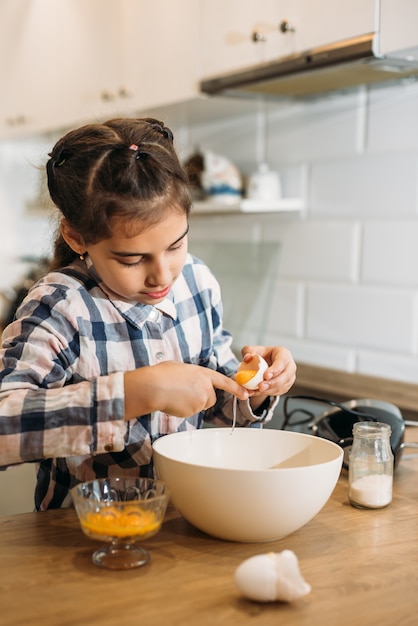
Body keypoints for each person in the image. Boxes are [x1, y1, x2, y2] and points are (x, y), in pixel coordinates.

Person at [0, 118, 296, 510]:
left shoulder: (197, 282)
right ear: (76, 237)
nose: (162, 275)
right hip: (82, 536)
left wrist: (257, 385)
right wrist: (136, 393)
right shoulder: (62, 306)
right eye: (132, 258)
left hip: (182, 521)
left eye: (176, 245)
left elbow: (222, 405)